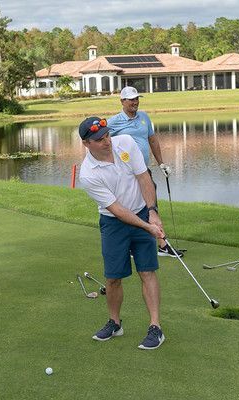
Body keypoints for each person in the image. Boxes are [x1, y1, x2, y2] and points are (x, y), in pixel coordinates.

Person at [78, 116, 167, 350]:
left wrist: (152, 212)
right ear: (86, 144)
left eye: (107, 135)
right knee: (113, 277)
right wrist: (148, 227)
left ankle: (155, 327)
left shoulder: (126, 142)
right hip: (113, 224)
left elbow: (144, 177)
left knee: (147, 271)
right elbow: (117, 210)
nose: (107, 141)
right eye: (99, 139)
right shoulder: (88, 174)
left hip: (142, 210)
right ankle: (115, 323)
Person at [107, 86, 183, 258]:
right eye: (131, 99)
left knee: (151, 205)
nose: (135, 102)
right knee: (134, 206)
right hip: (126, 173)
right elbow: (101, 142)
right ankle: (143, 244)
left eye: (136, 99)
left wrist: (161, 163)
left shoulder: (144, 117)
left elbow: (152, 140)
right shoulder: (114, 122)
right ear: (122, 101)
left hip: (143, 170)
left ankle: (161, 244)